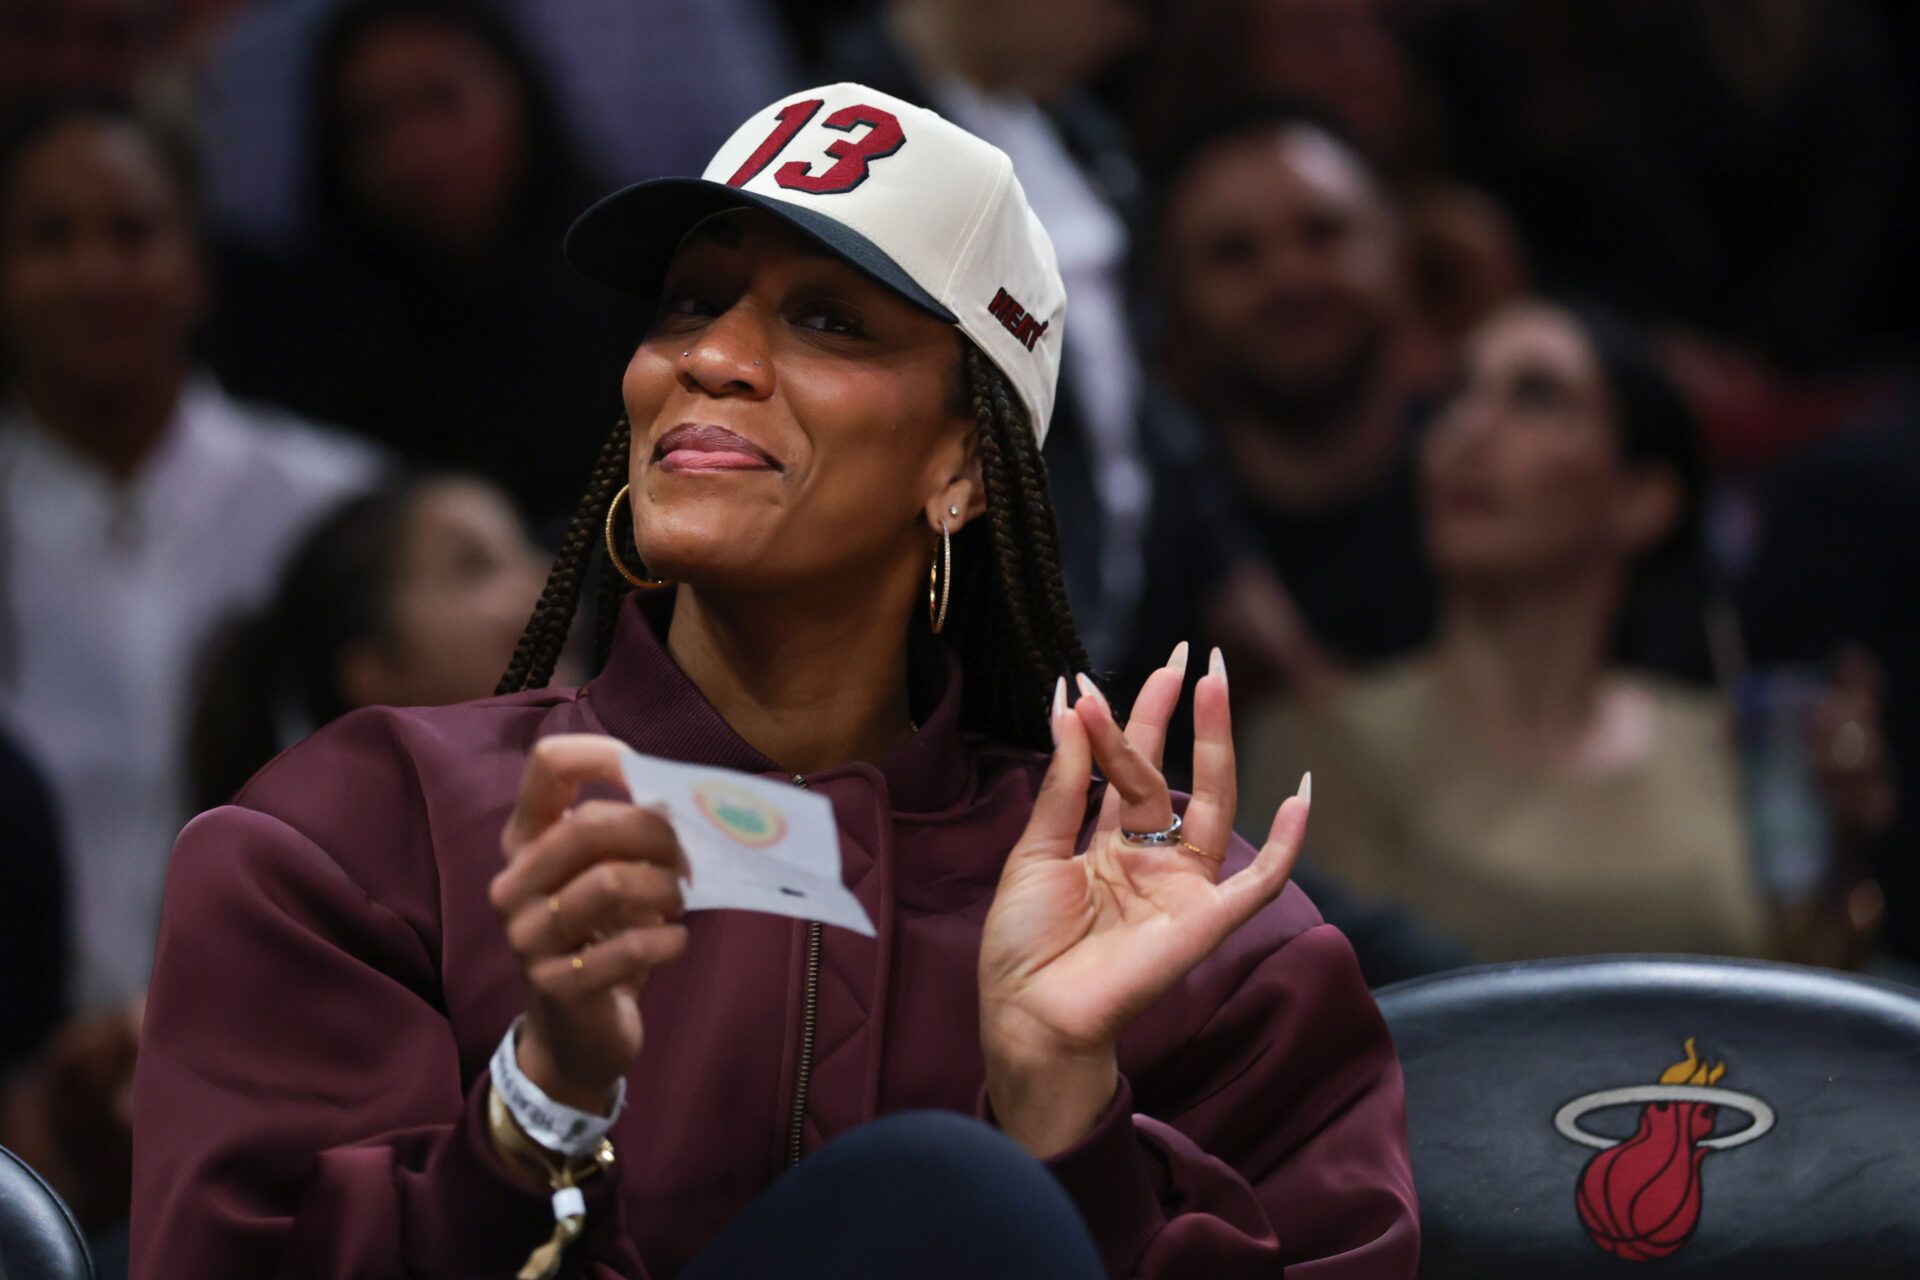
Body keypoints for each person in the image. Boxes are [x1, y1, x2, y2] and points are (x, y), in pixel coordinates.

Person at [133, 83, 1418, 1277]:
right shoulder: (361, 831)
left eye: (826, 319)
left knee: (950, 1191)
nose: (712, 357)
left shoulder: (1187, 943)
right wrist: (538, 1107)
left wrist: (1066, 1115)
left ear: (967, 468)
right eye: (691, 302)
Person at [1238, 301, 1888, 963]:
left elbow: (1803, 1010)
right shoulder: (1322, 742)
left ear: (1642, 500)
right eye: (1456, 395)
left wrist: (1844, 857)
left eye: (1538, 398)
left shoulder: (1731, 747)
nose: (1470, 430)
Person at [0, 98, 383, 1017]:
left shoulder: (337, 506)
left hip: (305, 1044)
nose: (93, 273)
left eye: (132, 232)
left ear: (197, 264)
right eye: (49, 237)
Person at [209, 0, 649, 528]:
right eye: (371, 124)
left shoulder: (636, 281)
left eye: (443, 101)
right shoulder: (304, 346)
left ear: (520, 95)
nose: (416, 150)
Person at [817, 0, 1159, 668]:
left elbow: (1128, 371)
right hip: (957, 630)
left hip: (1120, 603)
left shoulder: (1079, 129)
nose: (1129, 28)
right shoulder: (837, 134)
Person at [1148, 101, 1445, 703]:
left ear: (1395, 248)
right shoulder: (1142, 542)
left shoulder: (1496, 497)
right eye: (1235, 253)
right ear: (1173, 293)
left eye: (1323, 232)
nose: (1290, 278)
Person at [188, 473, 553, 813]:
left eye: (528, 548)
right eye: (476, 566)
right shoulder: (340, 874)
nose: (545, 574)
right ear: (374, 673)